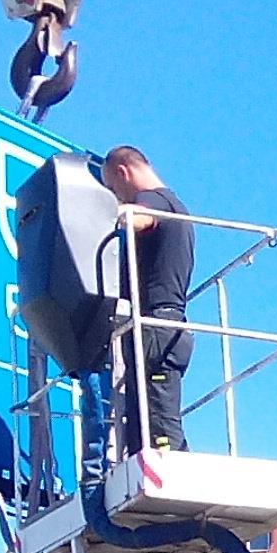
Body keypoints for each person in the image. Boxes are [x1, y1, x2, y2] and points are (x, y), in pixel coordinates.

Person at [100, 144, 194, 454]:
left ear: (123, 173)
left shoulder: (154, 201)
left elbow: (139, 217)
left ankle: (172, 471)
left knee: (158, 426)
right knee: (149, 420)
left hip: (155, 326)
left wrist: (112, 213)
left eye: (114, 189)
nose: (118, 196)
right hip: (166, 326)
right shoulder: (176, 205)